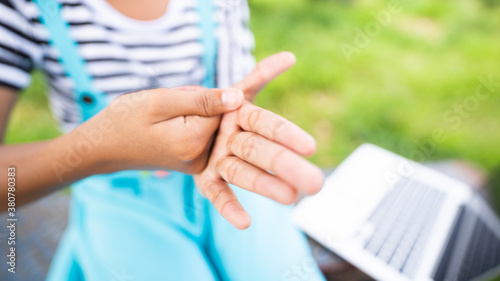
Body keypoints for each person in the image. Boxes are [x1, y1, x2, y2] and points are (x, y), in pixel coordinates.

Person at [0, 0, 326, 280]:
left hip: (223, 172)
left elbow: (233, 93)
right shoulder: (25, 9)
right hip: (116, 192)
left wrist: (232, 121)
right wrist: (102, 150)